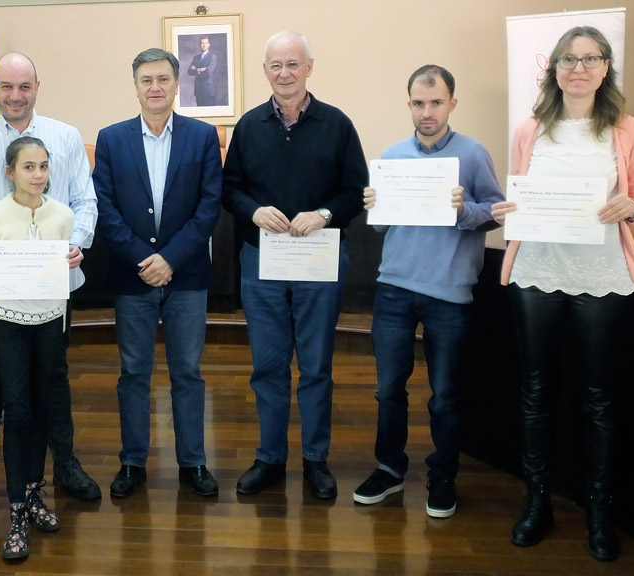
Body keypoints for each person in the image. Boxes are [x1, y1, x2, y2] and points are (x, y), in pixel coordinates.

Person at [491, 26, 634, 562]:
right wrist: (506, 211)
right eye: (567, 59)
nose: (577, 68)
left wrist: (632, 208)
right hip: (537, 267)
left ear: (605, 67)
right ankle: (537, 501)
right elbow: (518, 192)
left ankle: (599, 508)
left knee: (599, 396)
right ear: (553, 68)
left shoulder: (626, 128)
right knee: (536, 390)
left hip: (602, 270)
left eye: (589, 59)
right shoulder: (530, 128)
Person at [0, 52, 100, 507]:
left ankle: (65, 463)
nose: (15, 96)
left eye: (24, 87)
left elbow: (85, 201)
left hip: (54, 284)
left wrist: (79, 243)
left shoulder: (65, 138)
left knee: (54, 376)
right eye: (7, 87)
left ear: (37, 86)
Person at [351, 65, 504, 518]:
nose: (427, 112)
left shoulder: (473, 155)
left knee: (446, 395)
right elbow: (381, 224)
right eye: (419, 103)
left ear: (452, 104)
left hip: (449, 292)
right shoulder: (393, 156)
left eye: (436, 102)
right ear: (410, 105)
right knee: (387, 390)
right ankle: (389, 468)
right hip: (395, 287)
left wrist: (464, 211)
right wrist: (373, 207)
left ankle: (442, 476)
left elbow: (495, 210)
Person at [222, 31, 367, 499]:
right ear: (265, 71)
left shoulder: (337, 124)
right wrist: (252, 211)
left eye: (292, 64)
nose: (284, 73)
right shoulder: (248, 127)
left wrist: (324, 214)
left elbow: (354, 194)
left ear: (309, 67)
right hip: (261, 259)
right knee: (267, 365)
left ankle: (315, 460)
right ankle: (270, 457)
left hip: (319, 259)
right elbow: (230, 189)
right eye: (275, 65)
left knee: (317, 366)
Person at [93, 48, 223, 498]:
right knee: (134, 372)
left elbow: (209, 209)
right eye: (146, 79)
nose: (155, 87)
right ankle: (132, 462)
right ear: (135, 85)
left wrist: (170, 259)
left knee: (187, 371)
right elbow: (105, 210)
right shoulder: (111, 139)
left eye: (164, 79)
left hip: (186, 276)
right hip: (133, 276)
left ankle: (193, 462)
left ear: (176, 84)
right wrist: (144, 260)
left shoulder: (203, 137)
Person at [0, 137, 68, 560]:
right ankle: (15, 509)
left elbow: (63, 281)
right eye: (29, 167)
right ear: (10, 171)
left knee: (44, 406)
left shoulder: (62, 215)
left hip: (51, 322)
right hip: (9, 324)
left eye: (44, 166)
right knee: (17, 410)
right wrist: (1, 319)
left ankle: (35, 491)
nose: (38, 175)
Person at [187, 36, 218, 106]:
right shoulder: (196, 58)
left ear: (209, 44)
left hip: (208, 90)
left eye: (206, 43)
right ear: (199, 45)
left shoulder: (213, 56)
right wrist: (200, 69)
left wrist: (196, 69)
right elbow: (189, 71)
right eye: (202, 43)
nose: (204, 45)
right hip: (199, 90)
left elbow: (207, 73)